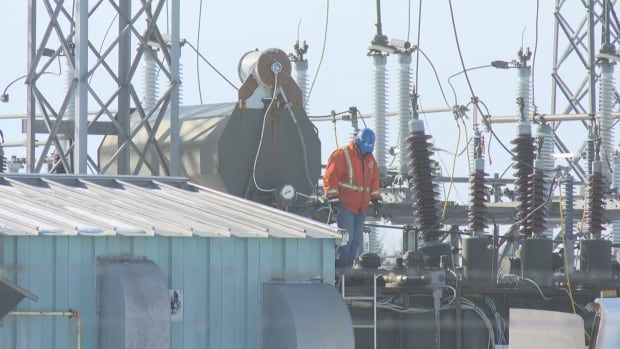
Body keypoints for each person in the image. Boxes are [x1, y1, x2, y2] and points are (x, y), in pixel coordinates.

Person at [323, 128, 381, 267]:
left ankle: (348, 266)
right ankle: (342, 266)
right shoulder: (342, 155)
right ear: (358, 142)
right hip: (346, 205)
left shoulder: (370, 159)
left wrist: (375, 199)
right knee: (346, 239)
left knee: (356, 240)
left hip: (360, 208)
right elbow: (331, 177)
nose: (366, 152)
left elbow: (373, 180)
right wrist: (333, 199)